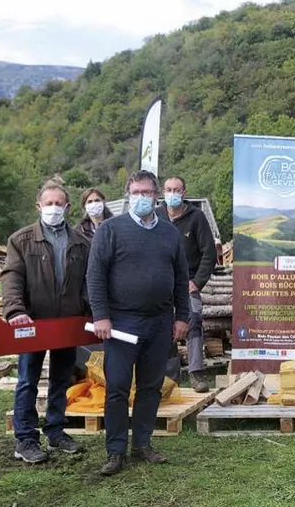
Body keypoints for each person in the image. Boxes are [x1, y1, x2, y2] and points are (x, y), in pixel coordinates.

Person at [86, 170, 190, 476]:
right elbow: (95, 275)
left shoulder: (169, 233)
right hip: (121, 323)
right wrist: (101, 315)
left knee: (150, 386)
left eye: (147, 193)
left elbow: (181, 278)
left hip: (159, 322)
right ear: (128, 195)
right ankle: (115, 450)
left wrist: (182, 316)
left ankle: (142, 444)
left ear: (156, 196)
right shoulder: (110, 230)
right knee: (117, 387)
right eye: (136, 193)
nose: (142, 198)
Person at [2, 180, 91, 463]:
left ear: (66, 207)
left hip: (67, 323)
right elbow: (12, 277)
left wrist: (87, 311)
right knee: (27, 380)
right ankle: (25, 439)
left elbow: (88, 281)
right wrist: (16, 310)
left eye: (59, 204)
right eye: (48, 203)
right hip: (33, 322)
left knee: (62, 378)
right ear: (39, 206)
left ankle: (55, 430)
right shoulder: (21, 240)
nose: (53, 208)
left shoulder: (81, 242)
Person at [156, 176, 217, 393]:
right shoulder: (155, 216)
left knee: (194, 320)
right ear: (163, 192)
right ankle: (167, 376)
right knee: (161, 325)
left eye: (177, 189)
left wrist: (197, 282)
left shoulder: (196, 217)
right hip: (160, 284)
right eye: (169, 189)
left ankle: (196, 372)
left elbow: (209, 254)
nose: (173, 193)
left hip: (187, 283)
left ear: (184, 192)